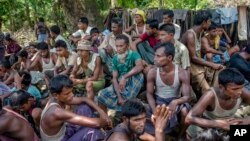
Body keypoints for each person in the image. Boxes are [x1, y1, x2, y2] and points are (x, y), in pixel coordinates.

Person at [40, 75, 111, 141]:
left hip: (64, 132)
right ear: (55, 95)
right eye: (67, 93)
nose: (72, 95)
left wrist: (101, 111)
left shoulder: (57, 99)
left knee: (85, 107)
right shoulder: (56, 112)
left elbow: (84, 99)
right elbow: (97, 123)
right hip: (61, 139)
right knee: (92, 132)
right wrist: (106, 121)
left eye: (71, 91)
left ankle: (84, 131)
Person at [185, 68, 250, 139]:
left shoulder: (242, 92)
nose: (239, 92)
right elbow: (189, 119)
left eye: (241, 88)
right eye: (234, 89)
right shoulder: (210, 95)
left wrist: (245, 121)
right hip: (206, 128)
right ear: (221, 87)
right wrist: (220, 124)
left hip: (227, 128)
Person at [146, 42, 191, 139]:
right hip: (158, 100)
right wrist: (155, 111)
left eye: (158, 56)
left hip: (175, 100)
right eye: (155, 55)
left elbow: (187, 97)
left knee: (185, 112)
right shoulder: (152, 72)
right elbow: (149, 94)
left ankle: (180, 134)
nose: (154, 59)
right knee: (143, 114)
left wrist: (175, 101)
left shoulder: (182, 73)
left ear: (169, 58)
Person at [181, 10, 224, 97]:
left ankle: (209, 94)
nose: (210, 23)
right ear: (204, 22)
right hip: (188, 66)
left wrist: (214, 54)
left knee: (221, 69)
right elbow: (193, 57)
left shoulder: (200, 33)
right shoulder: (190, 35)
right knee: (207, 91)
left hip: (196, 64)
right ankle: (206, 97)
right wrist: (211, 64)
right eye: (209, 21)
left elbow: (200, 51)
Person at [97, 34, 144, 113]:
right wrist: (119, 96)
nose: (118, 48)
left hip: (132, 80)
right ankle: (105, 120)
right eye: (117, 46)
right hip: (120, 83)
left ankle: (123, 107)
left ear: (127, 45)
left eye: (121, 46)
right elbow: (115, 78)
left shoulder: (134, 54)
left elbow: (140, 67)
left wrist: (124, 77)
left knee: (139, 75)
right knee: (101, 94)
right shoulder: (115, 58)